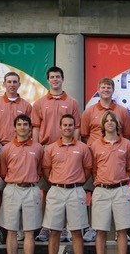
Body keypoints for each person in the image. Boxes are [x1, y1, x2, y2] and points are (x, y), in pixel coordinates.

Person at [31, 66, 81, 242]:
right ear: (48, 80)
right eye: (52, 77)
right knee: (47, 190)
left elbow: (76, 127)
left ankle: (66, 228)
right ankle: (46, 227)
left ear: (62, 79)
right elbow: (36, 127)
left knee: (66, 190)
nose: (55, 80)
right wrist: (37, 148)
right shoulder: (39, 103)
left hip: (66, 148)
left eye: (58, 76)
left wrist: (72, 144)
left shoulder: (72, 102)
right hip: (46, 149)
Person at [80, 77, 130, 242]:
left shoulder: (122, 111)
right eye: (103, 87)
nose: (106, 90)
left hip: (116, 155)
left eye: (109, 87)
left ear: (113, 90)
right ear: (98, 89)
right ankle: (92, 228)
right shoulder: (89, 111)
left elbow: (127, 134)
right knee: (92, 192)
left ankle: (120, 230)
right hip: (95, 157)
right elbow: (84, 134)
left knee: (117, 196)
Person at [0, 71, 33, 245]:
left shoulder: (27, 105)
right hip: (0, 149)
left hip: (20, 151)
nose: (12, 84)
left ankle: (19, 228)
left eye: (15, 82)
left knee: (20, 190)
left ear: (19, 85)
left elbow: (30, 129)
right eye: (9, 82)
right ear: (4, 84)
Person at [42, 114, 92, 254]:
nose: (67, 128)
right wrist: (57, 182)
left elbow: (88, 169)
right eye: (65, 125)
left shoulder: (83, 148)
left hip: (75, 191)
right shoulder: (51, 148)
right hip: (56, 190)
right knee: (54, 232)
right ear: (60, 127)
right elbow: (46, 170)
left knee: (77, 232)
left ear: (74, 127)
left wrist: (77, 181)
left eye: (70, 125)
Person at [88, 110, 130, 254]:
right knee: (100, 230)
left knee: (122, 231)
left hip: (121, 189)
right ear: (103, 125)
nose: (110, 123)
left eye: (112, 120)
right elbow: (93, 169)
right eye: (107, 121)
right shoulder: (95, 145)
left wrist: (120, 182)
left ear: (117, 124)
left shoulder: (127, 144)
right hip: (101, 190)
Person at [0, 114, 44, 254]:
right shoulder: (6, 149)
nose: (22, 127)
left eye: (25, 124)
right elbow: (3, 172)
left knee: (29, 232)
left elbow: (40, 169)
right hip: (12, 189)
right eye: (19, 124)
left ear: (30, 128)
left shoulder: (38, 148)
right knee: (11, 231)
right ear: (14, 127)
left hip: (31, 189)